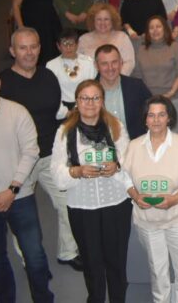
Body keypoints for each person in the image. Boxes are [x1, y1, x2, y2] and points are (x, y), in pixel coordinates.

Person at [0, 64, 54, 303]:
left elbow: (31, 151)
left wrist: (12, 189)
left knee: (34, 255)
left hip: (20, 197)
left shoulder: (17, 112)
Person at [0, 29, 84, 269]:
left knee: (68, 202)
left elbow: (56, 114)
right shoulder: (2, 83)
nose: (29, 52)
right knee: (23, 216)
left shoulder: (48, 76)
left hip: (49, 155)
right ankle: (29, 258)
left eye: (34, 46)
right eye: (23, 48)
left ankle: (68, 251)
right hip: (18, 161)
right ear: (12, 51)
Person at [50, 80, 132, 303]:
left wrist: (117, 166)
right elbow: (56, 173)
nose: (90, 103)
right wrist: (75, 171)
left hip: (116, 204)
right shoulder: (64, 132)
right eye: (84, 98)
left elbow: (129, 161)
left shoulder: (116, 126)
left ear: (102, 101)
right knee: (91, 262)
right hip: (82, 207)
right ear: (77, 101)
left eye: (95, 98)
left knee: (116, 262)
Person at [122, 96, 178, 303]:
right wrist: (136, 195)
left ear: (169, 118)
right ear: (145, 119)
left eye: (161, 115)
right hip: (148, 220)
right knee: (157, 270)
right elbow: (125, 177)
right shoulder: (134, 146)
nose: (156, 120)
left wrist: (174, 199)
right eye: (151, 115)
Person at [95, 43, 152, 140]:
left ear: (121, 62)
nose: (110, 68)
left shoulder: (137, 86)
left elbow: (153, 114)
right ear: (96, 66)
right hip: (102, 149)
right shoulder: (87, 92)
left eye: (114, 62)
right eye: (104, 63)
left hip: (135, 147)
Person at [132, 16, 178, 99]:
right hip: (148, 96)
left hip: (173, 95)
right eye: (151, 28)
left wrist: (171, 93)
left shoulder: (175, 46)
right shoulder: (141, 49)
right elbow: (137, 76)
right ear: (147, 31)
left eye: (158, 27)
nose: (155, 30)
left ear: (165, 29)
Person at [77, 3, 137, 76]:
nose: (103, 23)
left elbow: (129, 63)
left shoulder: (122, 37)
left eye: (106, 19)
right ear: (93, 21)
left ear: (112, 21)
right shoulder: (83, 39)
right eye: (99, 19)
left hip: (118, 81)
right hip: (91, 82)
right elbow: (78, 63)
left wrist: (115, 79)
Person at [47, 28, 98, 110]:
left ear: (77, 44)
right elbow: (50, 93)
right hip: (63, 107)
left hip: (87, 104)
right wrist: (64, 112)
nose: (68, 48)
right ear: (58, 46)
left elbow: (95, 86)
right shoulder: (51, 65)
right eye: (65, 44)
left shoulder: (88, 62)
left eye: (71, 44)